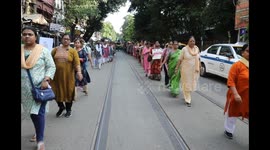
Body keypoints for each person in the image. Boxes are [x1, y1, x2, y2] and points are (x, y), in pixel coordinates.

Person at [21, 26, 56, 150]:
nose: (26, 36)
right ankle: (38, 131)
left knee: (38, 113)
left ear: (36, 36)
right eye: (24, 34)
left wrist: (47, 79)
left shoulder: (43, 51)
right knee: (32, 113)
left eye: (30, 34)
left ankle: (40, 141)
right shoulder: (21, 50)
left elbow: (51, 66)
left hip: (39, 89)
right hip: (23, 90)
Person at [50, 34, 83, 118]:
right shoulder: (55, 50)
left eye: (68, 39)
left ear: (70, 41)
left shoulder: (73, 51)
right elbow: (49, 61)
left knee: (69, 92)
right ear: (61, 40)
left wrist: (79, 72)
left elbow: (77, 63)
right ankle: (61, 107)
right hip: (56, 77)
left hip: (68, 77)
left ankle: (68, 110)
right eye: (64, 39)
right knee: (55, 92)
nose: (66, 40)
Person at [223, 44, 249, 139]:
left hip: (247, 97)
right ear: (242, 53)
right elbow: (231, 81)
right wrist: (236, 94)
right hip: (237, 95)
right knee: (233, 113)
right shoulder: (237, 65)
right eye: (247, 51)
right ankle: (228, 130)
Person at [175, 36, 200, 107]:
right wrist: (176, 68)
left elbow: (198, 58)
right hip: (186, 70)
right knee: (186, 84)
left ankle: (186, 94)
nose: (192, 42)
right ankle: (188, 99)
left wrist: (199, 67)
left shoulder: (197, 48)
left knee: (192, 84)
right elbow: (180, 60)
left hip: (194, 70)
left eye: (193, 41)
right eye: (191, 41)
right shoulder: (184, 49)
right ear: (188, 42)